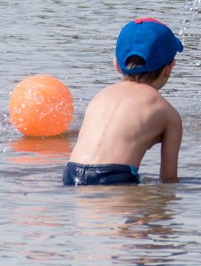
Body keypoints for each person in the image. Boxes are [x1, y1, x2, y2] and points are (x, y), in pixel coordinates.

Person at [63, 18, 184, 185]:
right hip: (115, 176)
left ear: (117, 65)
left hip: (72, 173)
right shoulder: (167, 112)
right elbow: (169, 179)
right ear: (169, 68)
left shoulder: (100, 96)